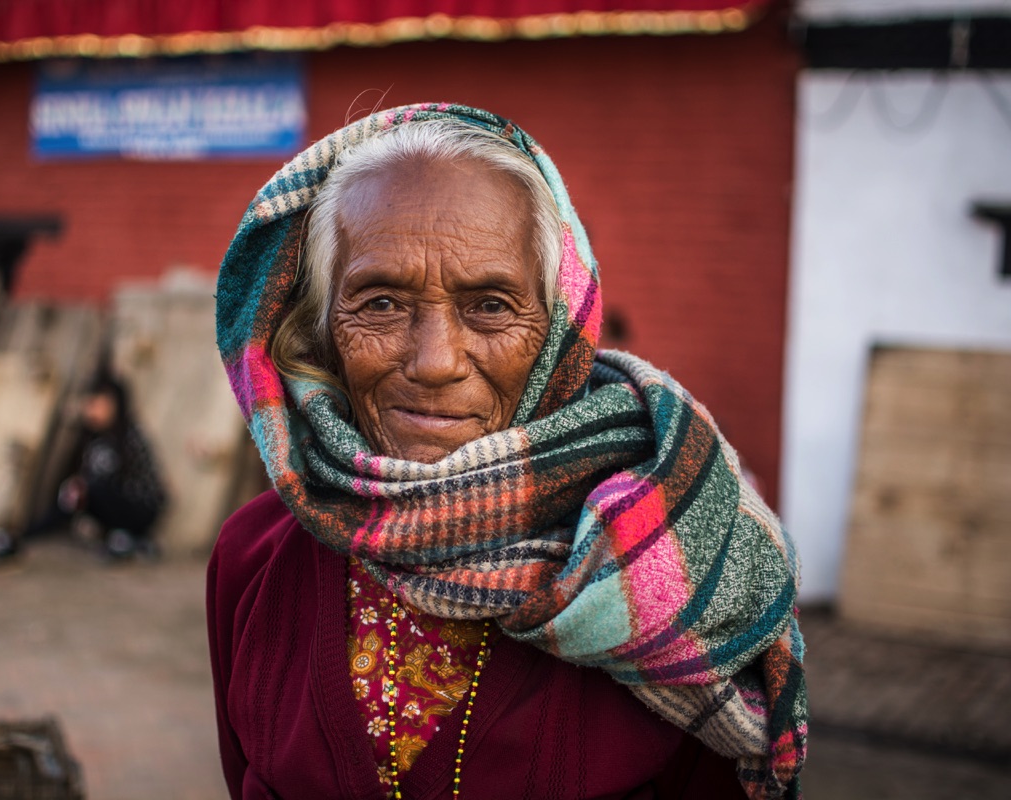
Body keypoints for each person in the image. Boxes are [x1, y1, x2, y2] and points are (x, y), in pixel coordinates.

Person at [208, 105, 806, 800]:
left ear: (556, 335)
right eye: (380, 303)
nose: (435, 362)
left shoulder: (679, 561)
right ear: (320, 329)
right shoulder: (252, 560)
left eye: (490, 305)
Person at [0, 374, 167, 565]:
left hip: (140, 509)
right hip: (113, 506)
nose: (91, 410)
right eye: (90, 404)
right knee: (74, 495)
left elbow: (109, 483)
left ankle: (22, 537)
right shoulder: (95, 439)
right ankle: (23, 536)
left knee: (81, 492)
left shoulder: (128, 437)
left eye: (98, 404)